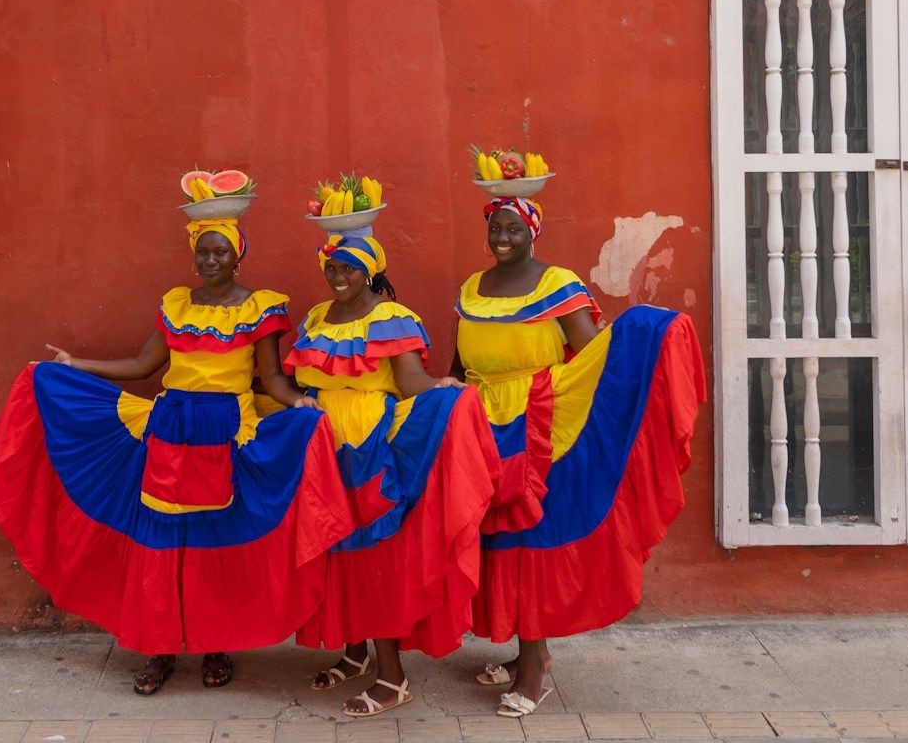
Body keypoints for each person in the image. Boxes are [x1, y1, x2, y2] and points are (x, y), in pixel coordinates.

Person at [0, 206, 351, 696]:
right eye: (204, 251)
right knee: (162, 543)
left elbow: (274, 377)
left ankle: (215, 645)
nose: (211, 260)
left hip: (227, 436)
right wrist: (75, 365)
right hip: (169, 433)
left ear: (237, 256)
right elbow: (141, 365)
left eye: (221, 251)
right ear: (194, 255)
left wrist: (302, 404)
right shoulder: (177, 305)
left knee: (213, 545)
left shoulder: (258, 309)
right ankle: (159, 649)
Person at [454, 194, 705, 718]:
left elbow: (592, 356)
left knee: (529, 538)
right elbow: (460, 362)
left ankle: (531, 672)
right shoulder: (470, 290)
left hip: (540, 425)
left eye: (513, 230)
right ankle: (530, 650)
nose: (502, 238)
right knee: (495, 536)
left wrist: (640, 336)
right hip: (483, 423)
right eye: (495, 229)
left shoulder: (558, 284)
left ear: (532, 234)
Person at [285, 232, 496, 719]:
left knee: (373, 557)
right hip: (323, 448)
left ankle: (393, 677)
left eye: (349, 270)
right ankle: (356, 652)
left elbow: (410, 382)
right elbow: (300, 379)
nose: (339, 279)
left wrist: (442, 387)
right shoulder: (316, 317)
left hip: (368, 446)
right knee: (339, 550)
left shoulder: (391, 318)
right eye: (332, 269)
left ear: (371, 271)